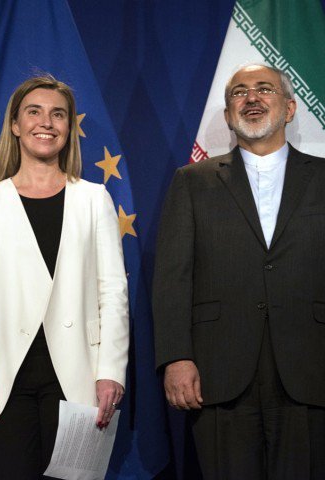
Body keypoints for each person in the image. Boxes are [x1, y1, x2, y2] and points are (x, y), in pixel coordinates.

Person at [153, 63, 325, 479]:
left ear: (289, 108)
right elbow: (172, 277)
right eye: (239, 92)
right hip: (217, 371)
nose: (251, 98)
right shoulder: (191, 181)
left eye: (265, 89)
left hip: (311, 367)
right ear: (229, 114)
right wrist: (177, 357)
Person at [0, 75, 130, 479]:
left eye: (58, 114)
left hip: (78, 379)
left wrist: (110, 372)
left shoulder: (94, 198)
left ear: (69, 128)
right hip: (2, 382)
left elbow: (113, 290)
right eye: (33, 112)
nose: (46, 123)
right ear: (15, 125)